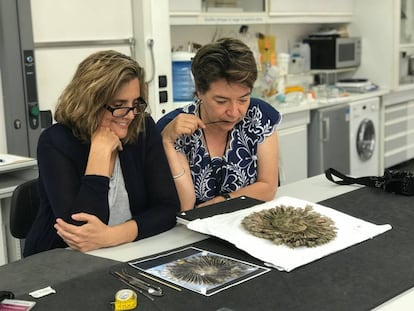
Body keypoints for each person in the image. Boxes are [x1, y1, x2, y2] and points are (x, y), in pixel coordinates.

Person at [24, 50, 180, 256]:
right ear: (89, 103)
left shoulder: (142, 128)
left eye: (136, 104)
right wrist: (99, 154)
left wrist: (113, 236)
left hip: (126, 251)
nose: (131, 115)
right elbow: (80, 232)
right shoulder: (55, 141)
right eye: (118, 106)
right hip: (58, 258)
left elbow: (168, 208)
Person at [157, 37, 281, 211]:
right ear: (200, 91)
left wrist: (218, 204)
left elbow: (267, 187)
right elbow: (185, 207)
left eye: (243, 99)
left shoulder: (258, 116)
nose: (234, 112)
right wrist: (167, 143)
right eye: (221, 101)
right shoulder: (174, 128)